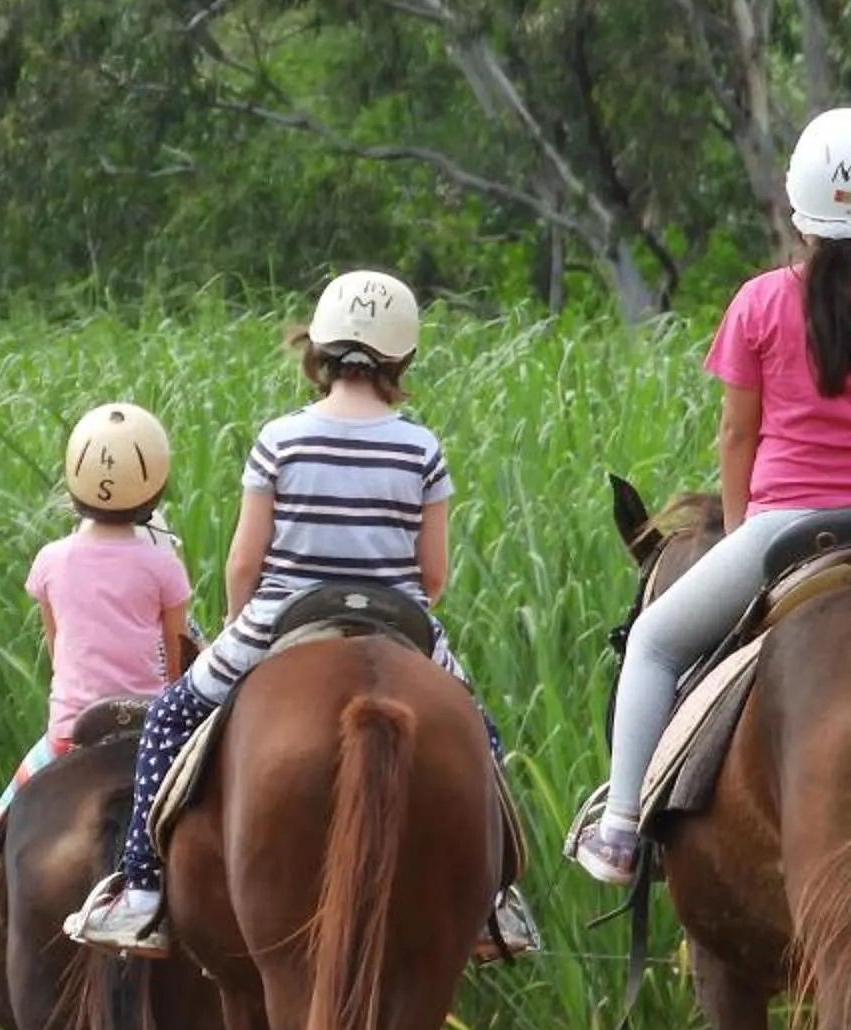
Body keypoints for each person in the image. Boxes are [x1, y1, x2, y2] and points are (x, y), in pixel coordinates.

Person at [66, 272, 541, 961]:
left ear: (320, 347)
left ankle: (140, 891)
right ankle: (495, 902)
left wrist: (238, 626)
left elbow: (242, 561)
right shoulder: (422, 448)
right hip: (397, 617)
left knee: (169, 716)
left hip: (283, 614)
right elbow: (432, 572)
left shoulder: (280, 437)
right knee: (479, 733)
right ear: (401, 357)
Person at [566, 106, 851, 887]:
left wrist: (746, 533)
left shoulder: (756, 304)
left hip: (785, 530)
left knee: (653, 642)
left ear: (798, 206)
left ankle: (619, 829)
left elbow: (735, 439)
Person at [0, 402, 195, 992]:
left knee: (9, 810)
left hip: (71, 728)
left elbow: (57, 646)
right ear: (155, 480)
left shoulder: (51, 561)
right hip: (152, 726)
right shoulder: (161, 564)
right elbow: (174, 657)